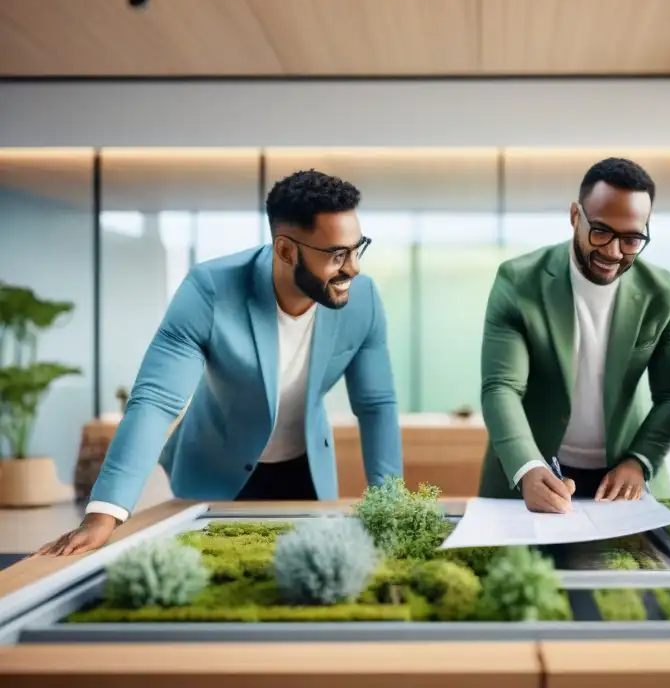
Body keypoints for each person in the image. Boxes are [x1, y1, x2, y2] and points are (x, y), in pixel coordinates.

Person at [37, 170, 403, 556]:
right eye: (337, 255)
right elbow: (156, 401)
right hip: (214, 474)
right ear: (286, 251)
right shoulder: (209, 290)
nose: (353, 268)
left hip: (306, 470)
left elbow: (376, 404)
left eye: (357, 248)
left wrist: (390, 502)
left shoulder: (364, 299)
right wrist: (104, 515)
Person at [479, 157, 670, 513]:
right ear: (576, 216)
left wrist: (640, 461)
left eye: (631, 239)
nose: (612, 252)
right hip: (535, 472)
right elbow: (501, 386)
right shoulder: (518, 282)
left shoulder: (664, 292)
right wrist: (528, 465)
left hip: (626, 481)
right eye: (601, 232)